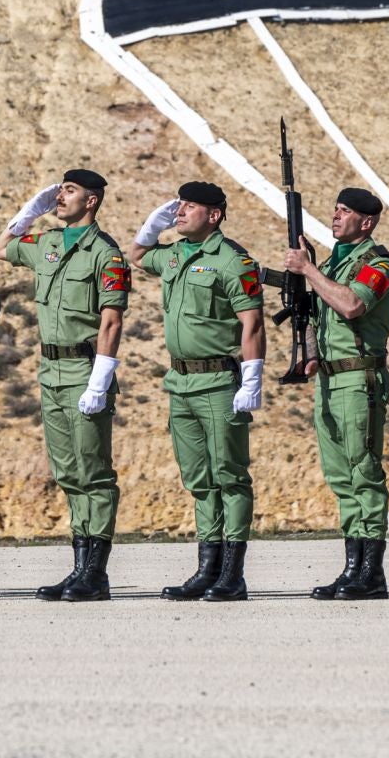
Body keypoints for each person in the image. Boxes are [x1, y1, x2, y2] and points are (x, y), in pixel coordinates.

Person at [126, 181, 266, 602]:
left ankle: (232, 574)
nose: (180, 212)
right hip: (180, 382)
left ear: (215, 215)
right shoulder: (173, 255)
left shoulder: (232, 260)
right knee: (200, 481)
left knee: (230, 477)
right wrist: (150, 229)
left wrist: (253, 377)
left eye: (190, 207)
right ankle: (207, 569)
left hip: (219, 382)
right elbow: (134, 258)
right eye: (179, 206)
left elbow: (252, 324)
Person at [4, 170, 130, 602]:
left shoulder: (106, 254)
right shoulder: (49, 244)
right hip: (50, 371)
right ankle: (79, 568)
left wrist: (100, 379)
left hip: (84, 370)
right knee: (68, 471)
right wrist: (28, 214)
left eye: (69, 192)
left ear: (91, 201)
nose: (60, 197)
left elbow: (112, 320)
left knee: (93, 471)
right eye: (59, 191)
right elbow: (3, 249)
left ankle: (95, 573)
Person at [281, 187, 389, 600]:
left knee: (363, 472)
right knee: (341, 477)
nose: (336, 216)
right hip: (331, 380)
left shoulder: (378, 262)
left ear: (366, 223)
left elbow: (351, 305)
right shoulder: (335, 262)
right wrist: (310, 356)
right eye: (335, 209)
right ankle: (353, 567)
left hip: (358, 379)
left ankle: (371, 572)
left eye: (345, 211)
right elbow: (315, 314)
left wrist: (309, 271)